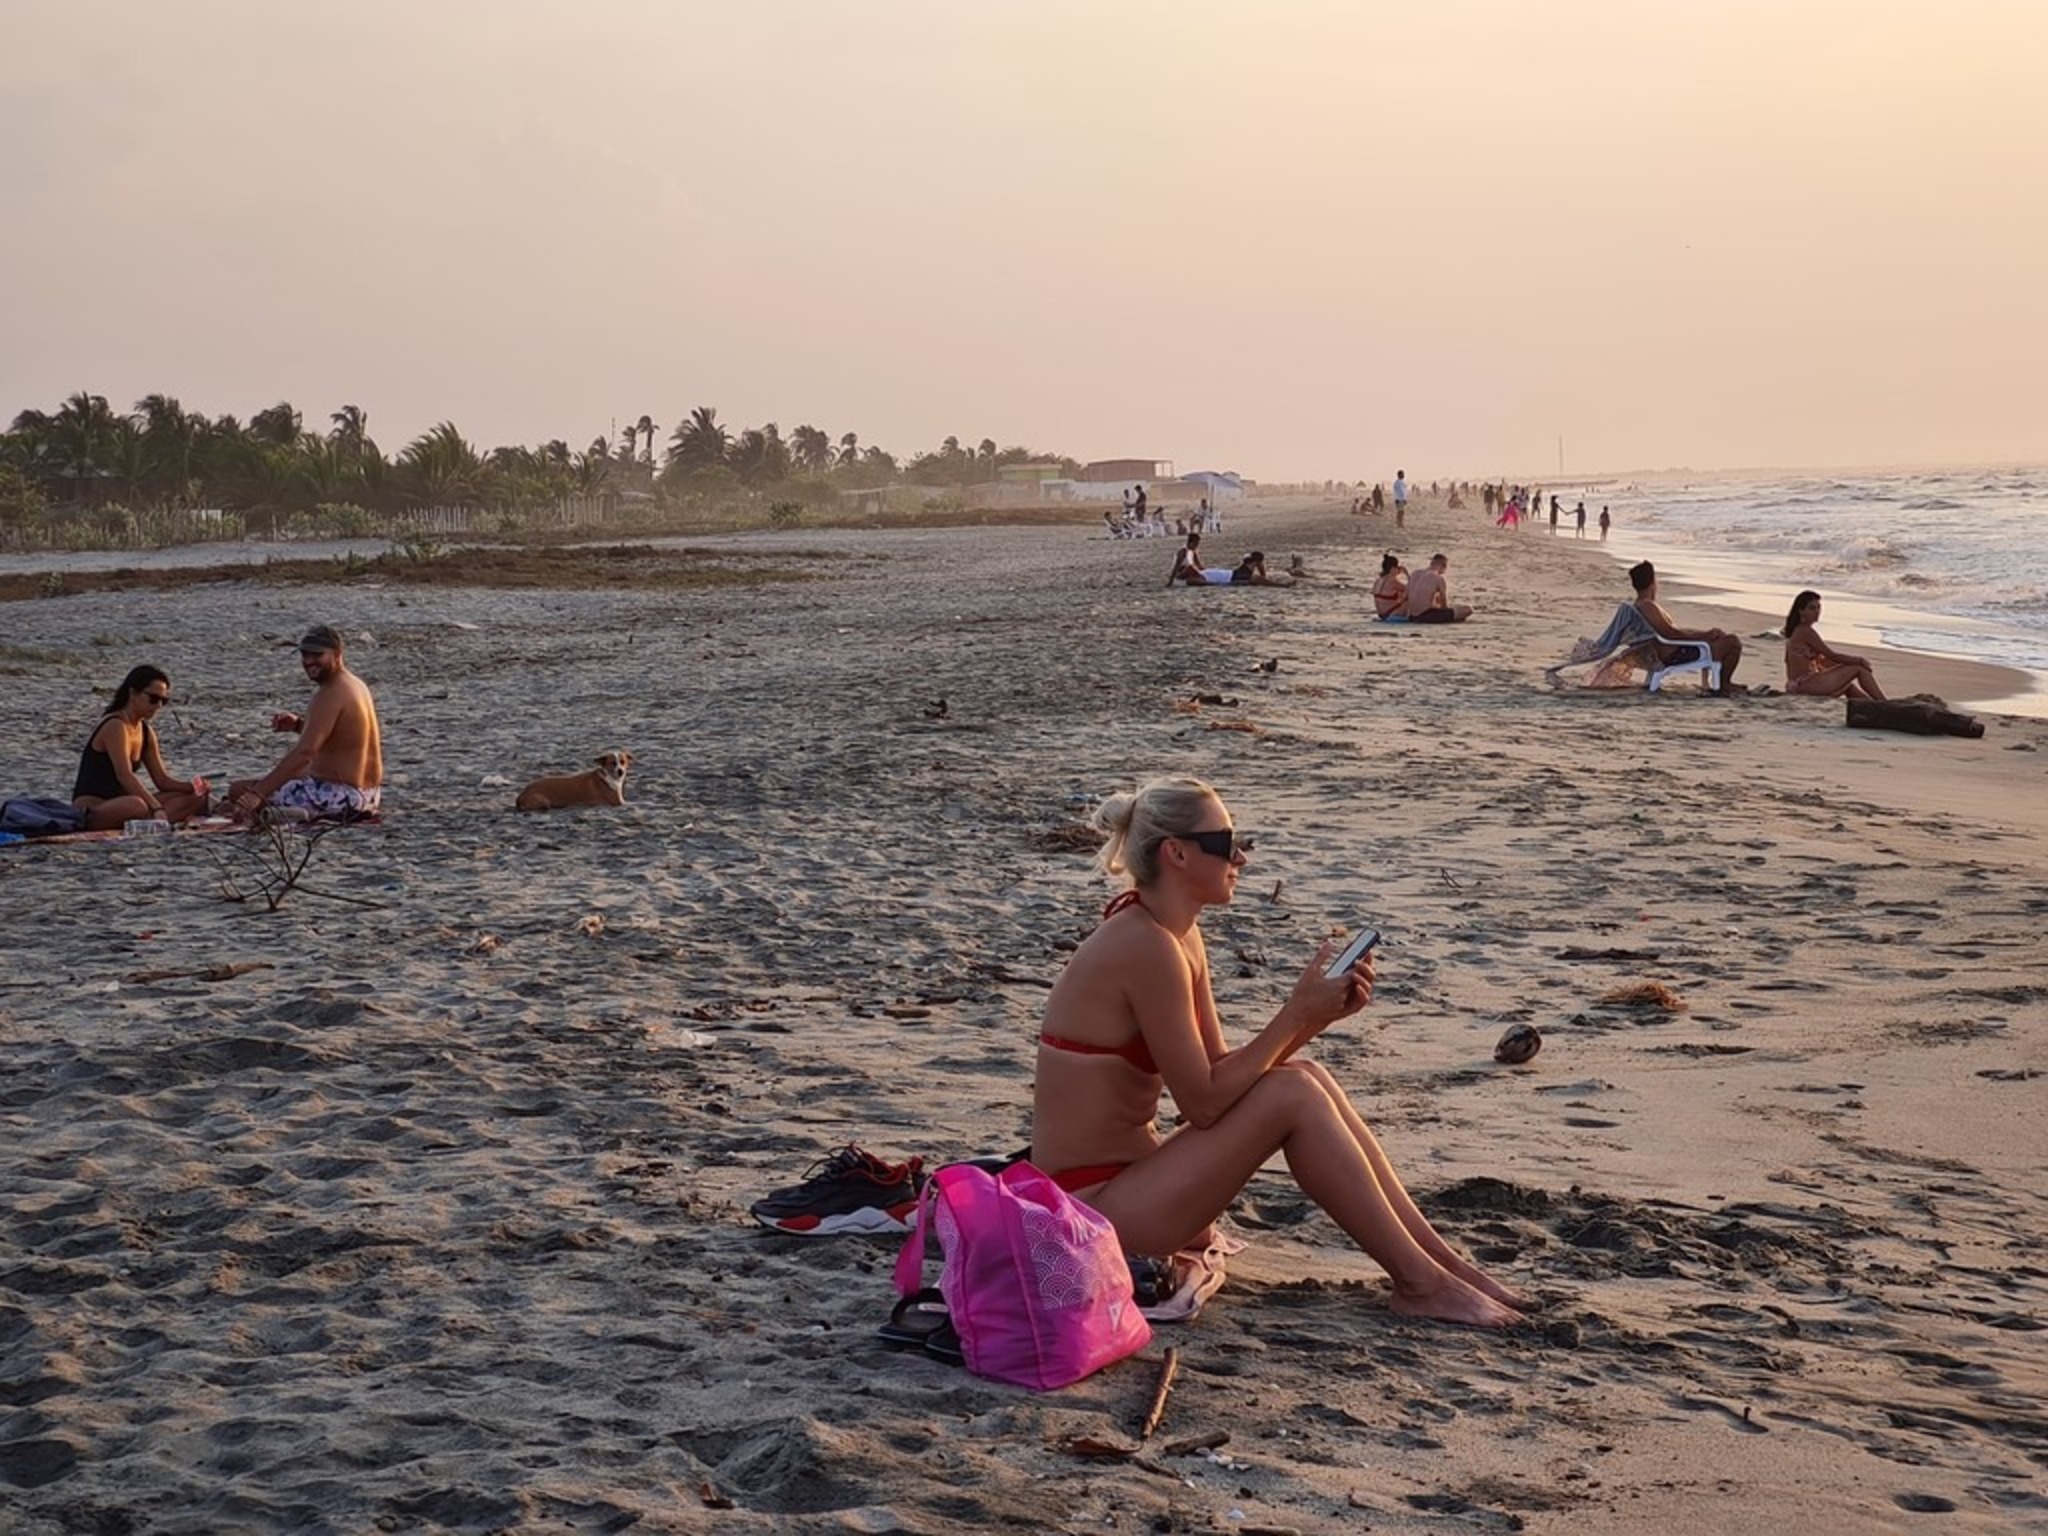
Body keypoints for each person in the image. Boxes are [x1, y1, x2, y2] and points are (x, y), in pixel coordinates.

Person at [1028, 777, 1523, 1328]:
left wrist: (1313, 1020)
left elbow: (1219, 1071)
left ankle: (1441, 1266)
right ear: (1177, 854)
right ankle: (1420, 1284)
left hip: (1131, 1185)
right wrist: (1298, 1013)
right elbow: (1204, 1104)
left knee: (1304, 1075)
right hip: (1089, 1210)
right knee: (1291, 1090)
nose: (1241, 857)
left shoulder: (1174, 935)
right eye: (1227, 843)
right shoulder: (1145, 946)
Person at [227, 625, 385, 820]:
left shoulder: (329, 694)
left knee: (237, 791)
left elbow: (305, 752)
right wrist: (298, 726)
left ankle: (291, 814)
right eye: (305, 655)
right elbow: (343, 736)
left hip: (339, 797)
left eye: (317, 655)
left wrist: (256, 795)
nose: (309, 662)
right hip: (368, 795)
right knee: (290, 777)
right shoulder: (356, 685)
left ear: (337, 654)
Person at [71, 665, 210, 830]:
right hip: (95, 806)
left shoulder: (145, 731)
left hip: (124, 801)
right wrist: (156, 806)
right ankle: (155, 818)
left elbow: (162, 780)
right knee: (137, 805)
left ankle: (151, 821)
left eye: (163, 701)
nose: (158, 705)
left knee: (194, 797)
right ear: (133, 693)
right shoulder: (115, 725)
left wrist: (194, 787)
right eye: (153, 698)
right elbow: (125, 775)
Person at [1629, 561, 1744, 695]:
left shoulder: (1639, 606)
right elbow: (1670, 634)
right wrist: (1704, 636)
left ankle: (1723, 682)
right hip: (1673, 654)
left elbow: (1670, 633)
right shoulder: (1648, 607)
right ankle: (1724, 683)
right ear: (1652, 582)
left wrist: (1705, 634)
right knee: (1733, 642)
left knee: (1720, 638)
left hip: (1666, 650)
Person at [1783, 590, 1885, 699]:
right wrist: (1859, 661)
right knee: (1858, 668)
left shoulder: (1798, 631)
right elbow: (1832, 655)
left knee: (1847, 685)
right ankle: (1883, 702)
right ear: (1801, 611)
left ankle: (1870, 705)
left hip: (1799, 684)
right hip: (1804, 684)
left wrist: (1842, 670)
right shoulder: (1805, 631)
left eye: (1818, 608)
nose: (1817, 611)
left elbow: (1825, 661)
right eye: (1812, 608)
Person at [1403, 553, 1472, 622]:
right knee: (1467, 610)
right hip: (1426, 616)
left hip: (1412, 617)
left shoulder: (1415, 573)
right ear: (1444, 566)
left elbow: (1406, 596)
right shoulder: (1438, 578)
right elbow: (1444, 606)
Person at [1167, 532, 1232, 587]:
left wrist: (1207, 571)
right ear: (1190, 543)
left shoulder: (1194, 551)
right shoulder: (1183, 552)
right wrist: (1170, 582)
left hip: (1192, 572)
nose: (1196, 546)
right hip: (1181, 573)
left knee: (1200, 571)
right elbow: (1176, 567)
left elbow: (1199, 565)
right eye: (1195, 544)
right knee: (1191, 568)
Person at [1371, 552, 1409, 619]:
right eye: (1397, 568)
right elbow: (1411, 588)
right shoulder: (1393, 582)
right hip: (1390, 613)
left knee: (1399, 594)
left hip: (1381, 614)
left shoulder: (1378, 581)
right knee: (1409, 597)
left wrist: (1397, 572)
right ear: (1392, 569)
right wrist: (1407, 574)